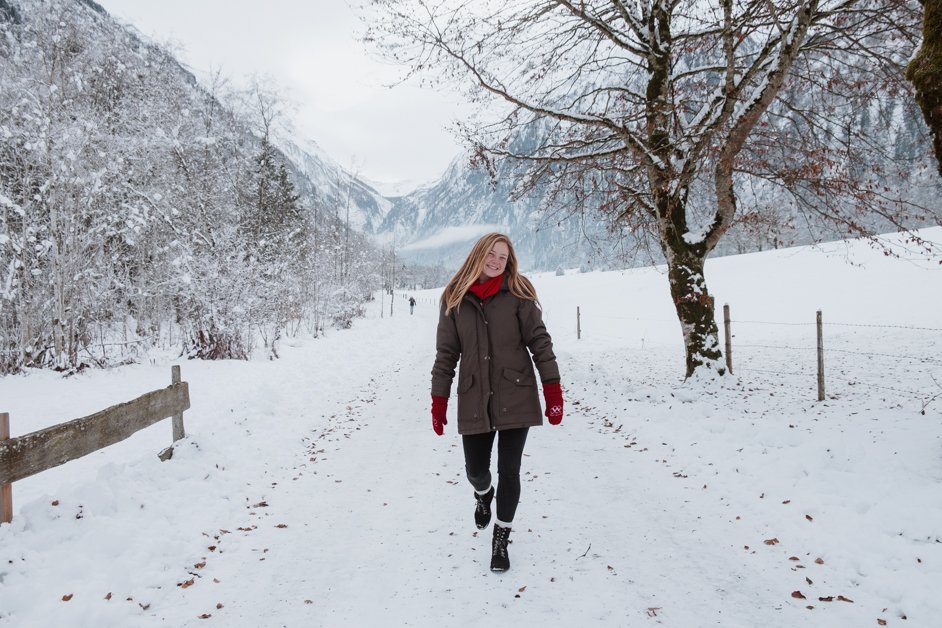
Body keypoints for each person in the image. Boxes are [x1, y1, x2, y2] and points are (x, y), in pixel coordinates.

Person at [430, 232, 563, 573]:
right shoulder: (454, 297)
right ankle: (482, 493)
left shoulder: (519, 293)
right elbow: (446, 354)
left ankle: (501, 538)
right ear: (478, 254)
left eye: (502, 257)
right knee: (476, 469)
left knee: (510, 470)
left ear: (509, 262)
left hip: (516, 393)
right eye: (491, 254)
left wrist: (552, 389)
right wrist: (439, 399)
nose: (496, 261)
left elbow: (540, 342)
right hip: (475, 396)